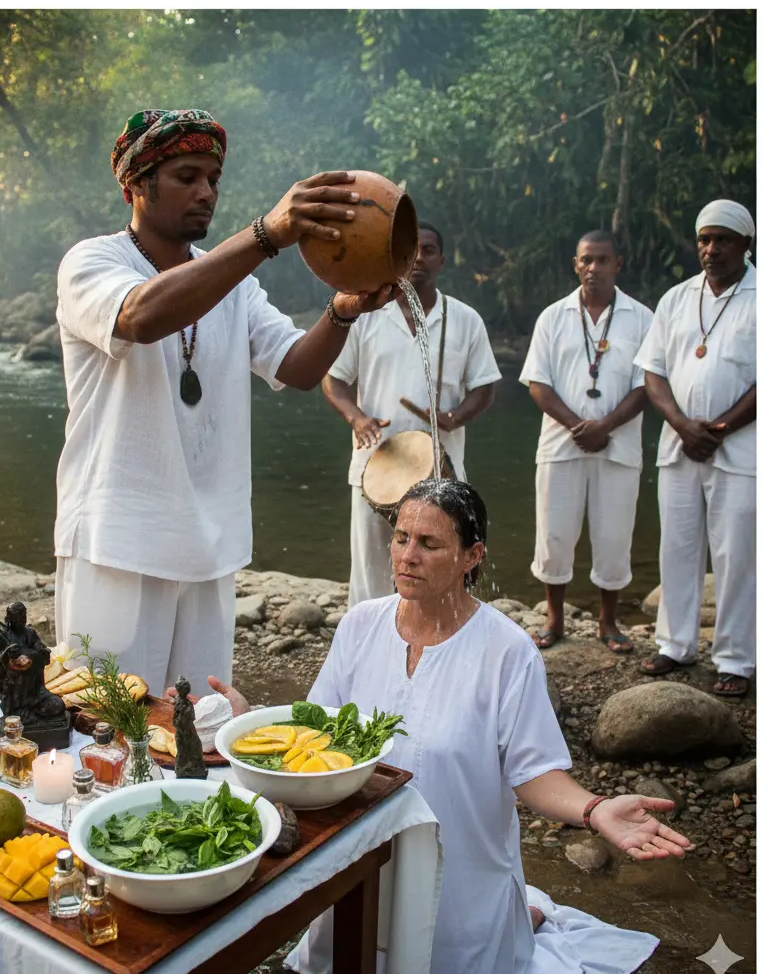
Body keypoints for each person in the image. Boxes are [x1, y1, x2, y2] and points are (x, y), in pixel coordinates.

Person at [285, 478, 692, 974]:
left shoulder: (507, 651)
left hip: (459, 870)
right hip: (362, 854)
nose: (407, 556)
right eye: (401, 537)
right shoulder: (361, 625)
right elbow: (314, 730)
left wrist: (594, 809)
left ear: (471, 556)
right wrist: (248, 721)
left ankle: (516, 919)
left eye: (429, 544)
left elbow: (534, 771)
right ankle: (521, 916)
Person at [53, 108, 394, 698]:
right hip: (117, 540)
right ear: (136, 185)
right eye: (186, 177)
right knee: (109, 723)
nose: (206, 192)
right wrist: (264, 236)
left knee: (202, 722)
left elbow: (297, 367)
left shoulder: (237, 285)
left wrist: (341, 312)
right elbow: (139, 317)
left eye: (213, 179)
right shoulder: (92, 261)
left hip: (209, 547)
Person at [322, 222, 501, 606]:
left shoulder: (465, 318)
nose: (419, 258)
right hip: (376, 467)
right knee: (371, 574)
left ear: (442, 260)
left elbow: (485, 387)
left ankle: (434, 636)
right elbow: (334, 380)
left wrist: (456, 416)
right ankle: (369, 639)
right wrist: (356, 418)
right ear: (396, 256)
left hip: (440, 469)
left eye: (429, 250)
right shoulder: (365, 314)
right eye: (411, 250)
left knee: (439, 571)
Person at [634, 200, 756, 697]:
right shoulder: (677, 298)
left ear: (746, 244)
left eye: (722, 239)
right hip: (680, 446)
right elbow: (653, 371)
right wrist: (683, 425)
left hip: (743, 450)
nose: (711, 249)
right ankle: (675, 644)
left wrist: (721, 428)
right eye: (704, 239)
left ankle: (736, 659)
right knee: (678, 547)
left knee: (737, 555)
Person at [519, 231, 653, 653]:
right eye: (586, 260)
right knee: (554, 534)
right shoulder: (553, 317)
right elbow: (538, 384)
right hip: (561, 445)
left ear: (619, 263)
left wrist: (605, 426)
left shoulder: (641, 318)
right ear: (575, 265)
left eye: (602, 259)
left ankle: (608, 622)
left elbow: (647, 384)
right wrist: (579, 426)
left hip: (619, 446)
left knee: (614, 536)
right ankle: (554, 619)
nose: (594, 268)